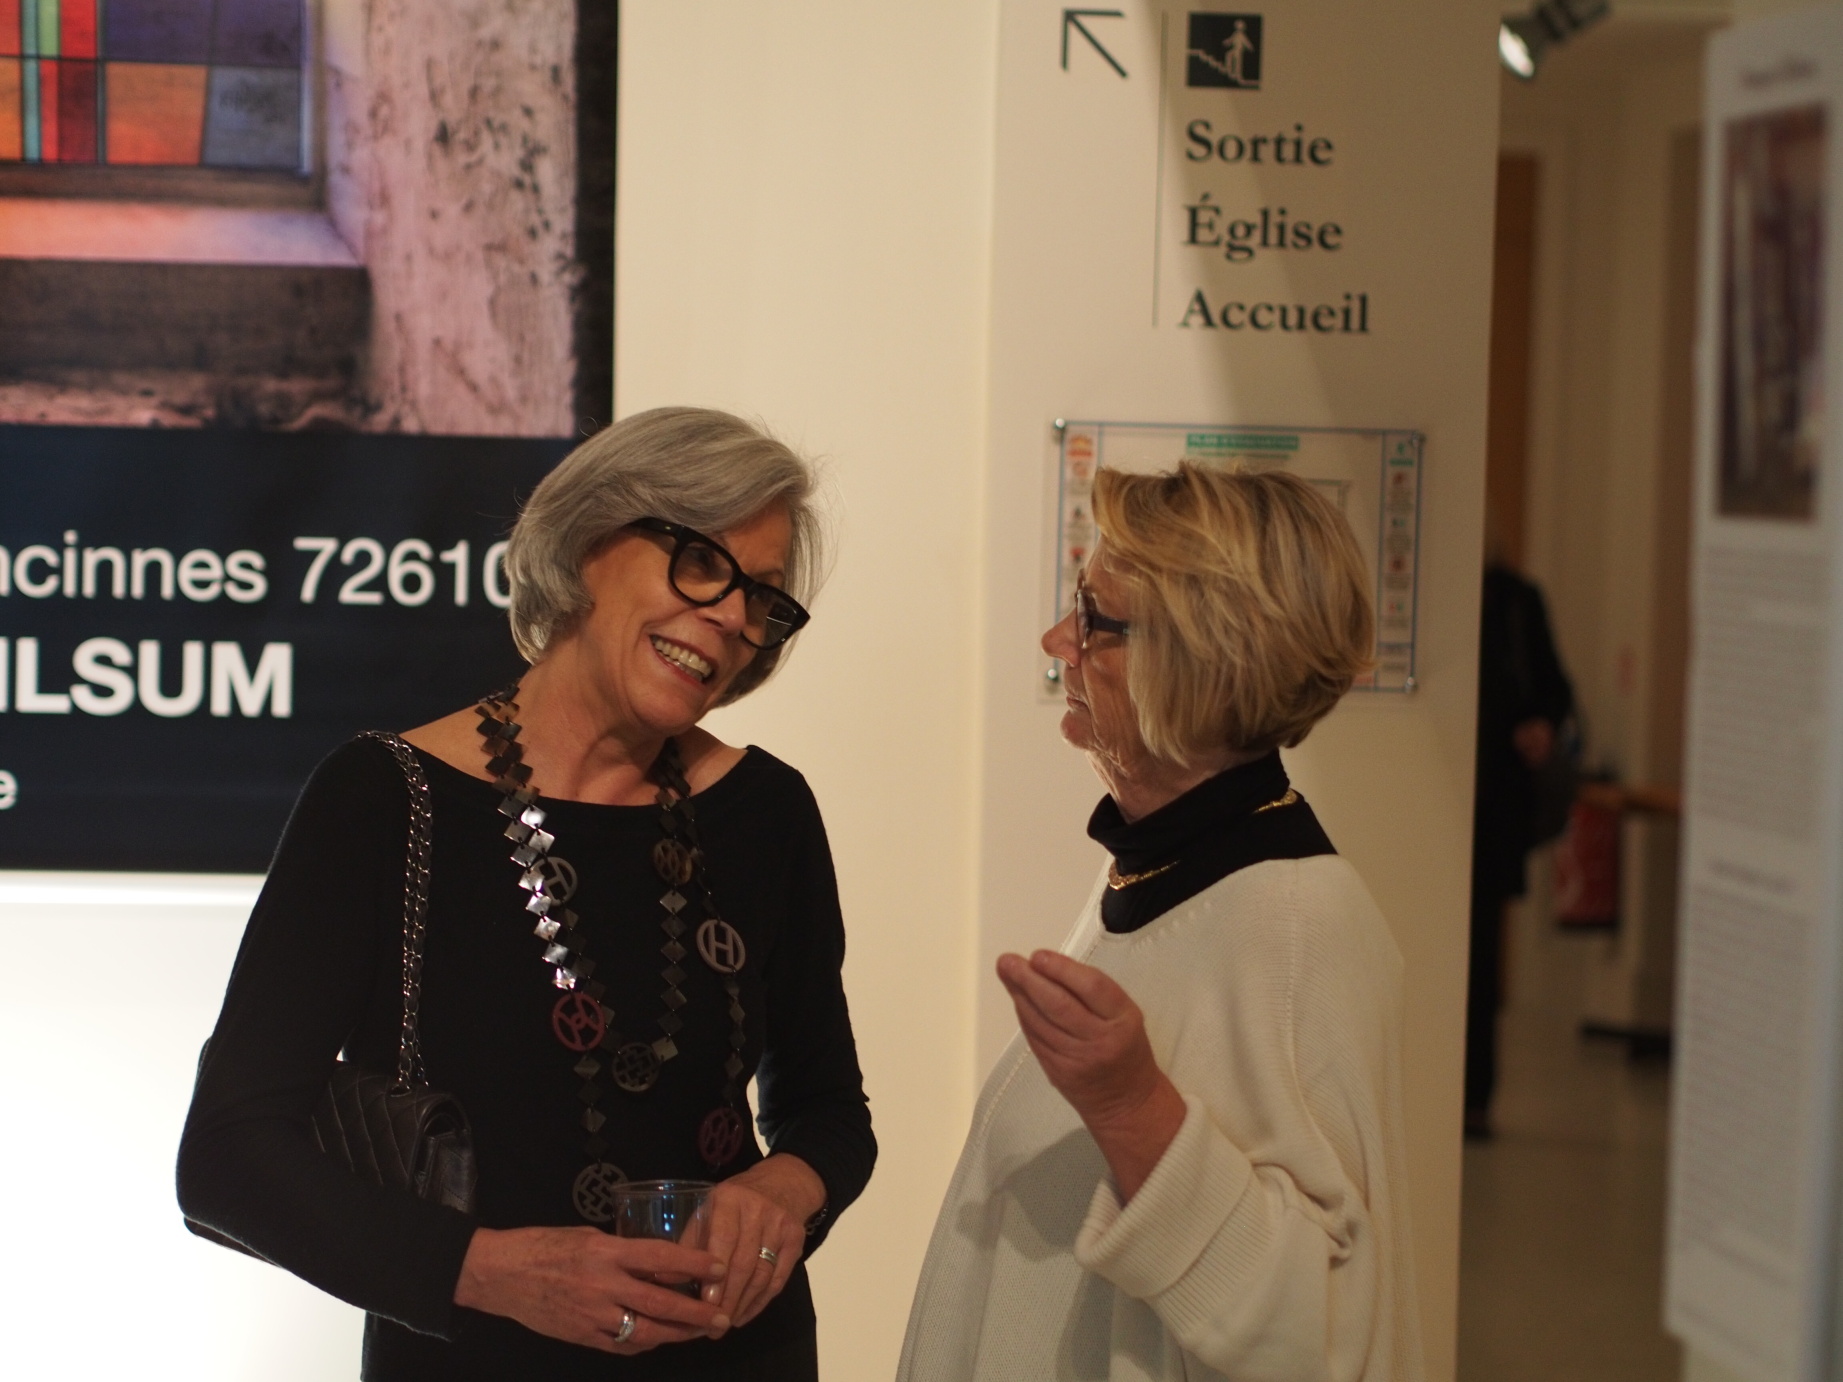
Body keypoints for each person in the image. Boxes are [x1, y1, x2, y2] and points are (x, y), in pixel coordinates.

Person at [178, 407, 876, 1381]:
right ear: (589, 544)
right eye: (701, 562)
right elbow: (229, 1153)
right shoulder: (385, 798)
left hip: (734, 1356)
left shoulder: (765, 810)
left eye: (761, 598)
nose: (729, 617)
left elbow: (829, 1112)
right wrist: (492, 1271)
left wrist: (783, 1188)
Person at [898, 464, 1421, 1381]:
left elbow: (1322, 1331)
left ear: (1202, 658)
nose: (1057, 640)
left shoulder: (1298, 925)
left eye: (1092, 618)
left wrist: (1133, 1107)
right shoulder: (1161, 869)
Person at [1466, 557, 1574, 1138]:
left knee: (1481, 958)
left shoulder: (1513, 599)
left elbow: (1554, 690)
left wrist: (1539, 724)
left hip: (1492, 812)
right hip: (1464, 803)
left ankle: (1474, 1098)